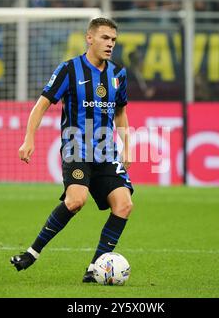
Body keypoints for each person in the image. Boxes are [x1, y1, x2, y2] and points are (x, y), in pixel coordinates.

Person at [10, 17, 134, 283]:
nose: (110, 44)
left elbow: (121, 111)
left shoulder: (117, 74)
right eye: (104, 38)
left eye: (113, 40)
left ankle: (94, 270)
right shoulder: (69, 70)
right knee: (77, 200)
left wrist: (127, 145)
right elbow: (42, 104)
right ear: (90, 38)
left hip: (106, 153)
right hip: (76, 150)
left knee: (124, 205)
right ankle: (32, 252)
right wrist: (28, 138)